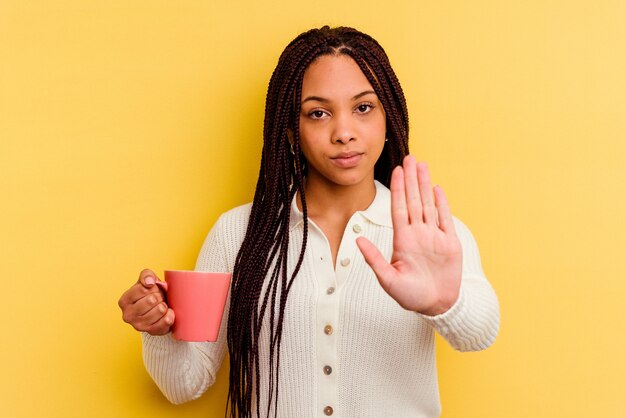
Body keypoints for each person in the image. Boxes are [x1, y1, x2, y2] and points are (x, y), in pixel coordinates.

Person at [118, 26, 500, 418]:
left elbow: (481, 334)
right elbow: (184, 386)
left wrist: (443, 303)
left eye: (363, 107)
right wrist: (159, 331)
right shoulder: (238, 234)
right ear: (291, 129)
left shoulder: (429, 231)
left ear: (390, 118)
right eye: (318, 113)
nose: (344, 133)